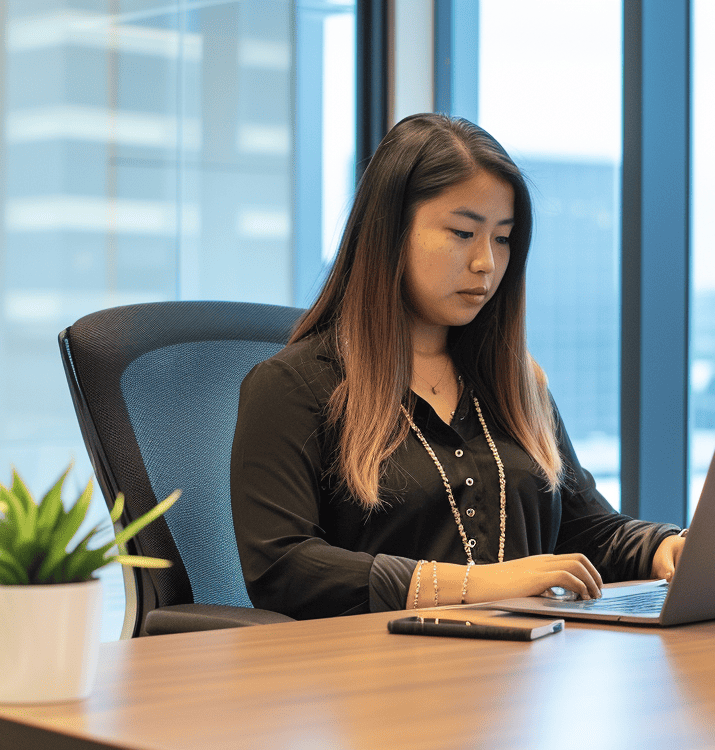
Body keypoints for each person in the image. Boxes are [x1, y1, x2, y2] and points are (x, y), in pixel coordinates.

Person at [231, 113, 685, 619]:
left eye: (503, 238)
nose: (486, 263)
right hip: (373, 677)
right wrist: (481, 584)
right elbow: (282, 568)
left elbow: (585, 532)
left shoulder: (516, 381)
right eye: (463, 232)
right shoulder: (293, 387)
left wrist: (664, 547)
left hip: (525, 674)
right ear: (389, 232)